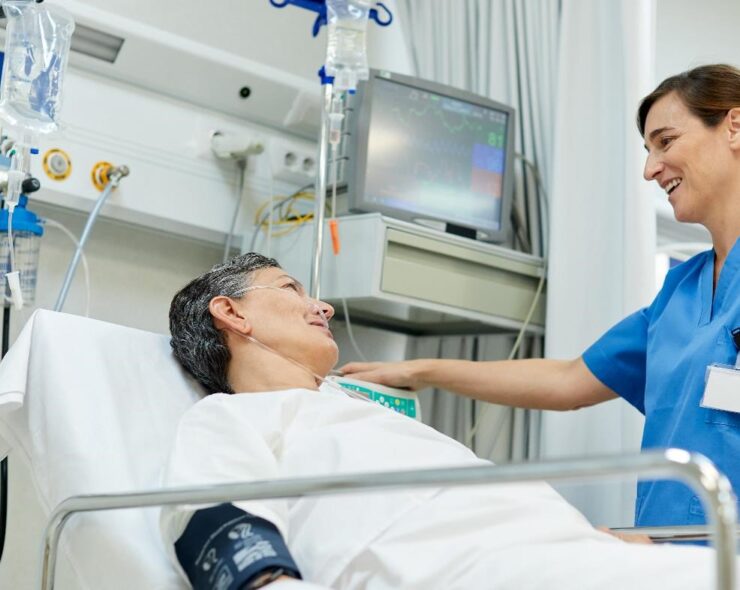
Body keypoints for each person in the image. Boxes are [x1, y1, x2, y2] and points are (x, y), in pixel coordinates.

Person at [160, 253, 726, 590]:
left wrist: (583, 538)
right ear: (231, 312)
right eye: (291, 289)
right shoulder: (232, 417)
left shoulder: (361, 413)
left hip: (567, 556)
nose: (324, 306)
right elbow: (215, 524)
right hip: (477, 571)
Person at [340, 63, 740, 531]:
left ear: (734, 126)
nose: (650, 169)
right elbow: (568, 381)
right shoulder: (682, 291)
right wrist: (421, 371)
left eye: (666, 141)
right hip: (671, 555)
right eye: (648, 151)